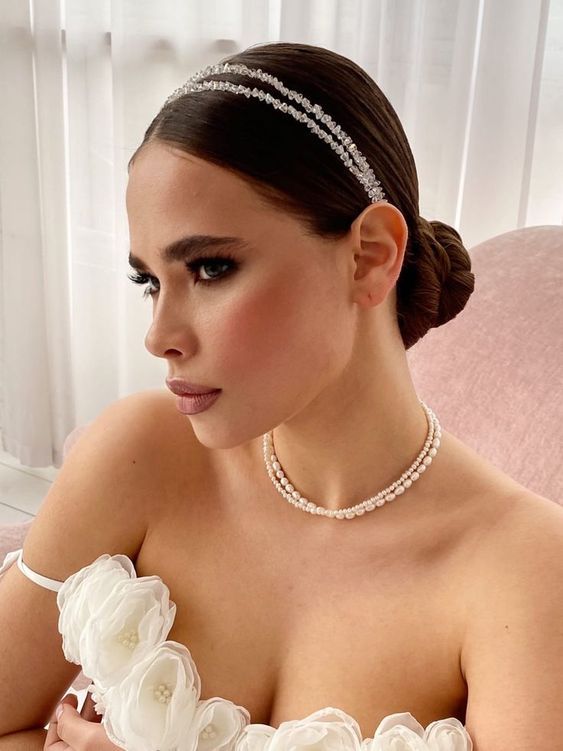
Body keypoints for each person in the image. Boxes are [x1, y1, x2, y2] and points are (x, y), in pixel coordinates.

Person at [1, 40, 562, 751]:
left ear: (370, 255)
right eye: (149, 280)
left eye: (211, 267)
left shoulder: (522, 572)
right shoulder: (141, 454)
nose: (159, 335)